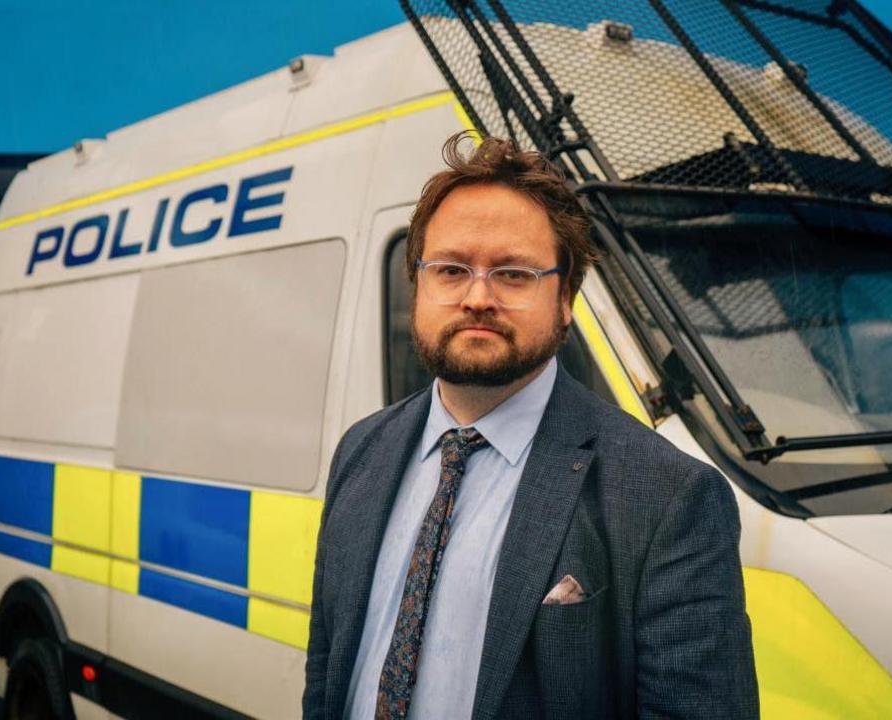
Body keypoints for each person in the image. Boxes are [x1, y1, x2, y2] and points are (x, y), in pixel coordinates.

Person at [303, 131, 758, 720]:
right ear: (418, 284)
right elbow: (326, 668)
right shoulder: (362, 449)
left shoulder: (670, 495)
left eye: (514, 274)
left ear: (565, 298)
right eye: (450, 269)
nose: (477, 297)